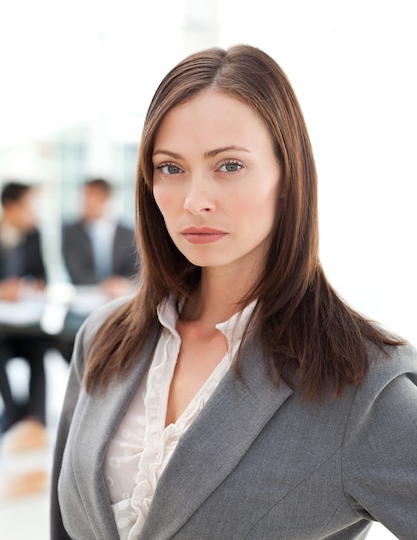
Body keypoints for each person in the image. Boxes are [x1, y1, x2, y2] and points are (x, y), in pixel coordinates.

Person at [51, 45, 417, 539]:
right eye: (171, 168)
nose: (195, 201)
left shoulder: (361, 379)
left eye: (229, 166)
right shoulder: (103, 339)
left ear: (287, 177)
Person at [0, 182, 48, 447]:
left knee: (40, 346)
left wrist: (31, 286)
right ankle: (15, 415)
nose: (34, 211)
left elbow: (43, 279)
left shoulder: (33, 234)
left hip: (26, 320)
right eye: (29, 204)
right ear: (11, 206)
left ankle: (36, 419)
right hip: (2, 328)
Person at [62, 178, 137, 298]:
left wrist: (121, 284)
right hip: (86, 296)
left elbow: (136, 269)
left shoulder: (127, 233)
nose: (86, 202)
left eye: (91, 196)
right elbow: (75, 271)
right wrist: (104, 285)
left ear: (106, 198)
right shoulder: (71, 232)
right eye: (84, 197)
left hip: (120, 296)